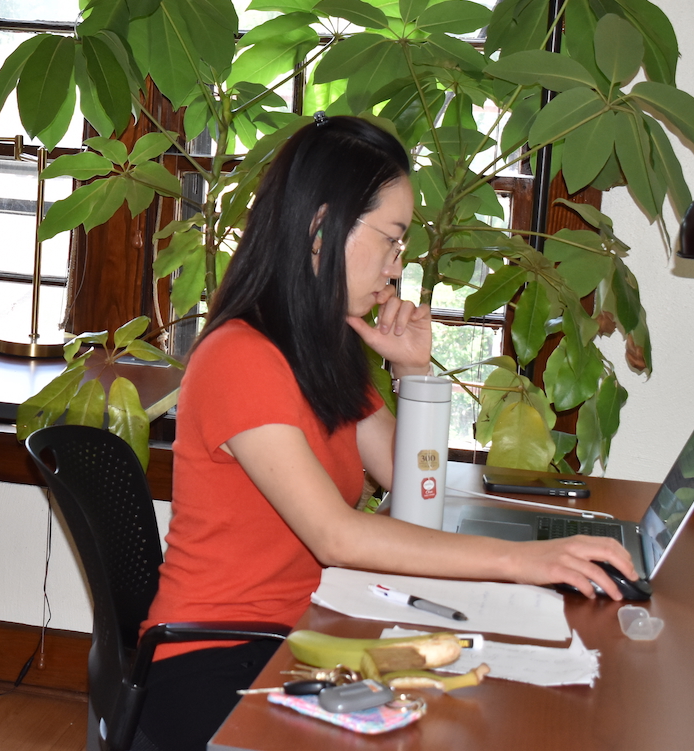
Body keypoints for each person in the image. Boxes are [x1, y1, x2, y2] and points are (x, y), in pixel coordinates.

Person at [131, 115, 637, 751]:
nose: (396, 269)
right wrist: (520, 561)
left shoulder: (324, 348)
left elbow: (413, 486)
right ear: (321, 228)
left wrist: (414, 374)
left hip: (309, 631)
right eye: (392, 241)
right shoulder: (239, 357)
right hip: (217, 658)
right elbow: (337, 535)